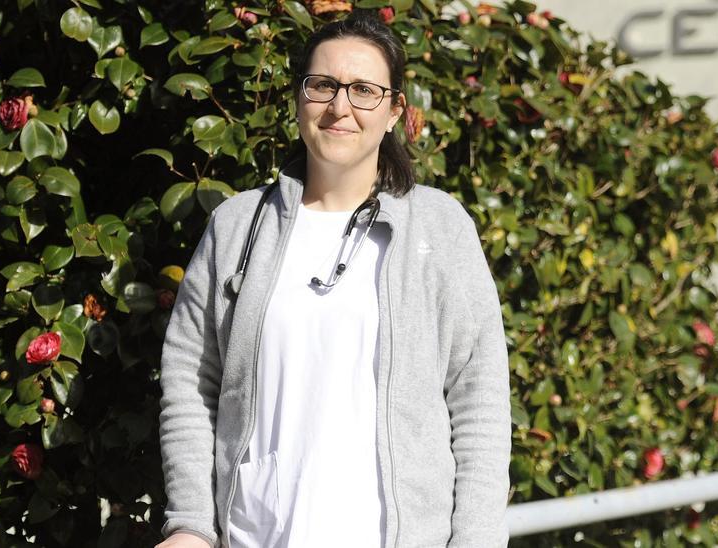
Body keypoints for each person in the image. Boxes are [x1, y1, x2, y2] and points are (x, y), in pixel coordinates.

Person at [156, 13, 510, 548]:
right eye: (322, 86)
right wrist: (190, 524)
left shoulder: (439, 229)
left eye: (364, 90)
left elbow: (479, 400)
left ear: (394, 111)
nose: (340, 107)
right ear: (300, 98)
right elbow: (189, 377)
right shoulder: (237, 225)